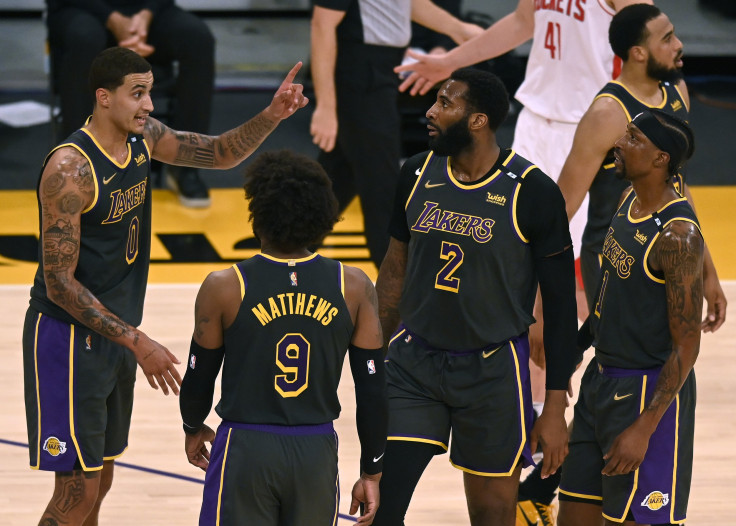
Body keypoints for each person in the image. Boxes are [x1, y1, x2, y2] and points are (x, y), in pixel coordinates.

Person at [22, 47, 308, 525]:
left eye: (150, 93)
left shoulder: (143, 139)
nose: (149, 105)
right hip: (67, 340)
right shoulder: (69, 170)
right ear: (103, 98)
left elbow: (218, 152)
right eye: (137, 94)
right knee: (77, 489)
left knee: (101, 480)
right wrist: (138, 341)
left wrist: (272, 115)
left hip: (114, 333)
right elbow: (58, 283)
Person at [372, 68, 578, 526]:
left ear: (479, 120)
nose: (430, 111)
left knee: (491, 515)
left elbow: (561, 308)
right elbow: (393, 274)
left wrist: (556, 407)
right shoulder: (417, 173)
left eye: (445, 103)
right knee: (382, 508)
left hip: (493, 372)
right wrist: (369, 360)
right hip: (415, 366)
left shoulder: (533, 192)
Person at [178, 150, 388, 526]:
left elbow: (199, 377)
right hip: (315, 449)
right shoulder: (353, 286)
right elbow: (373, 389)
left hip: (246, 447)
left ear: (257, 214)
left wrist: (192, 426)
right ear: (323, 216)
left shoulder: (225, 287)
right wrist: (372, 470)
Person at [557, 109, 703, 526]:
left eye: (634, 138)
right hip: (600, 384)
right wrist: (577, 347)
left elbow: (687, 346)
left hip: (646, 393)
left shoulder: (678, 238)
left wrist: (645, 427)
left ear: (660, 159)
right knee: (574, 513)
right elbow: (606, 297)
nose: (619, 144)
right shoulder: (628, 201)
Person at [557, 3, 726, 327]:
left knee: (676, 360)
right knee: (623, 366)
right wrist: (536, 293)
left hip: (669, 256)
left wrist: (708, 273)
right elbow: (561, 208)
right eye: (667, 38)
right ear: (637, 53)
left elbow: (679, 190)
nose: (678, 45)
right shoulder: (607, 113)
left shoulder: (677, 91)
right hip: (616, 262)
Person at [309, 0, 483, 268]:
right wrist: (326, 106)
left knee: (336, 178)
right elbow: (322, 24)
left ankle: (285, 247)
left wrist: (457, 28)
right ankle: (398, 291)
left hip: (380, 69)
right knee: (384, 188)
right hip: (358, 73)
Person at [46, 0, 216, 207]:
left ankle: (185, 165)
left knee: (198, 38)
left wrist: (146, 14)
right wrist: (113, 19)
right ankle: (78, 166)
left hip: (143, 14)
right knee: (85, 37)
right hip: (81, 8)